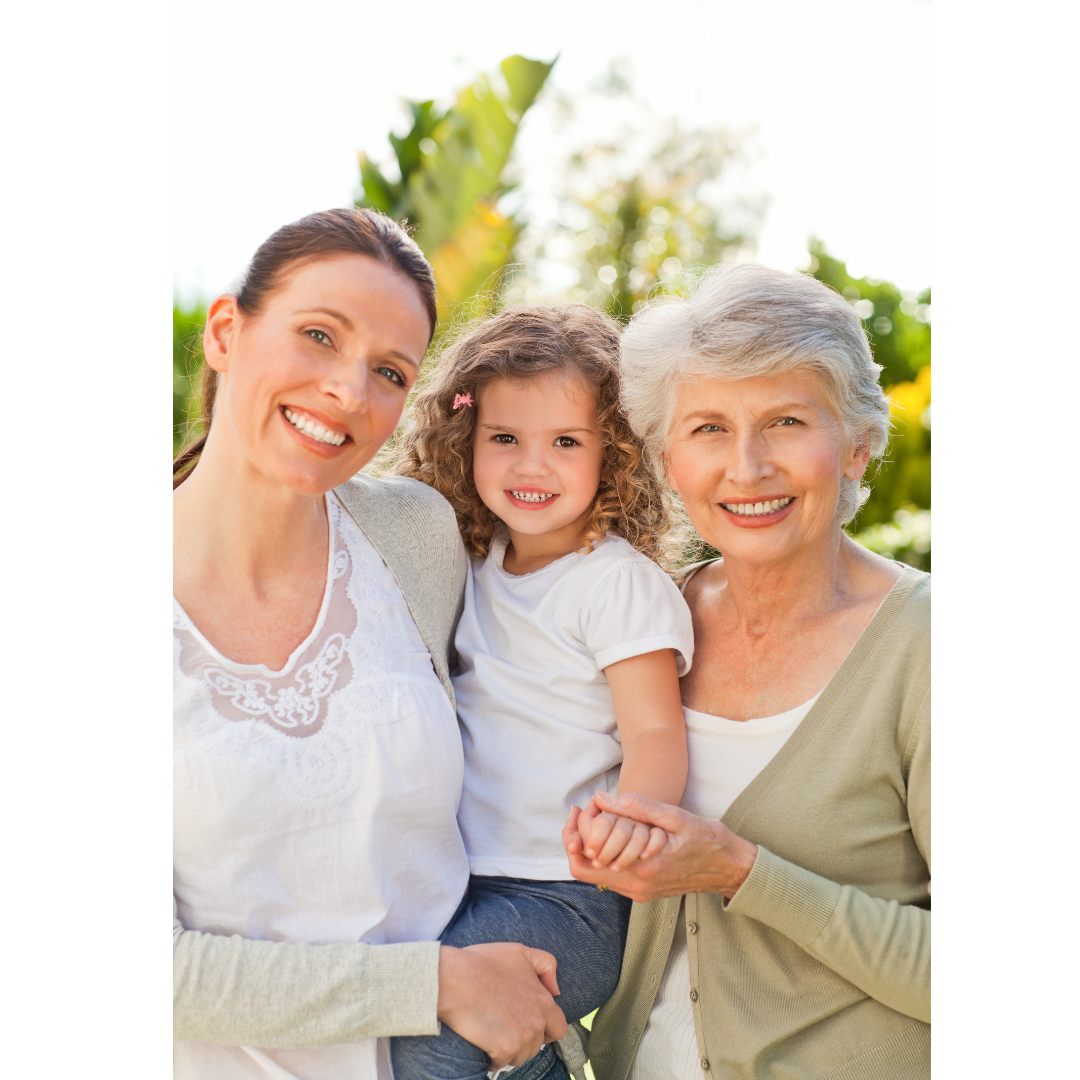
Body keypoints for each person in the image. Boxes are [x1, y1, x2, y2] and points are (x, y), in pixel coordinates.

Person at [173, 208, 568, 1080]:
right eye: (319, 335)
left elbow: (544, 697)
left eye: (389, 371)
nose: (350, 392)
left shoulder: (417, 537)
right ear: (227, 331)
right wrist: (432, 983)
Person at [563, 263, 930, 1080]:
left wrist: (741, 873)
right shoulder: (642, 626)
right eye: (708, 429)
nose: (747, 466)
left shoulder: (931, 647)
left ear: (860, 445)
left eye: (787, 421)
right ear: (667, 456)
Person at [390, 305, 695, 1080]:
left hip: (570, 894)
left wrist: (632, 826)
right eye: (505, 439)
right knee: (443, 1026)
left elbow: (655, 734)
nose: (533, 466)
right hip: (463, 880)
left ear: (615, 450)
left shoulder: (615, 582)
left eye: (565, 442)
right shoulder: (476, 557)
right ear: (466, 440)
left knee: (425, 1031)